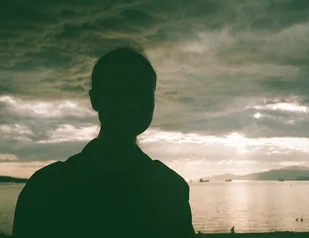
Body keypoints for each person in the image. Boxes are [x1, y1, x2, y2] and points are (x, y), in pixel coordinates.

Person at [12, 46, 195, 238]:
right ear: (95, 99)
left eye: (142, 95)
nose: (131, 106)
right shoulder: (45, 189)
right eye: (118, 93)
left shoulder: (172, 189)